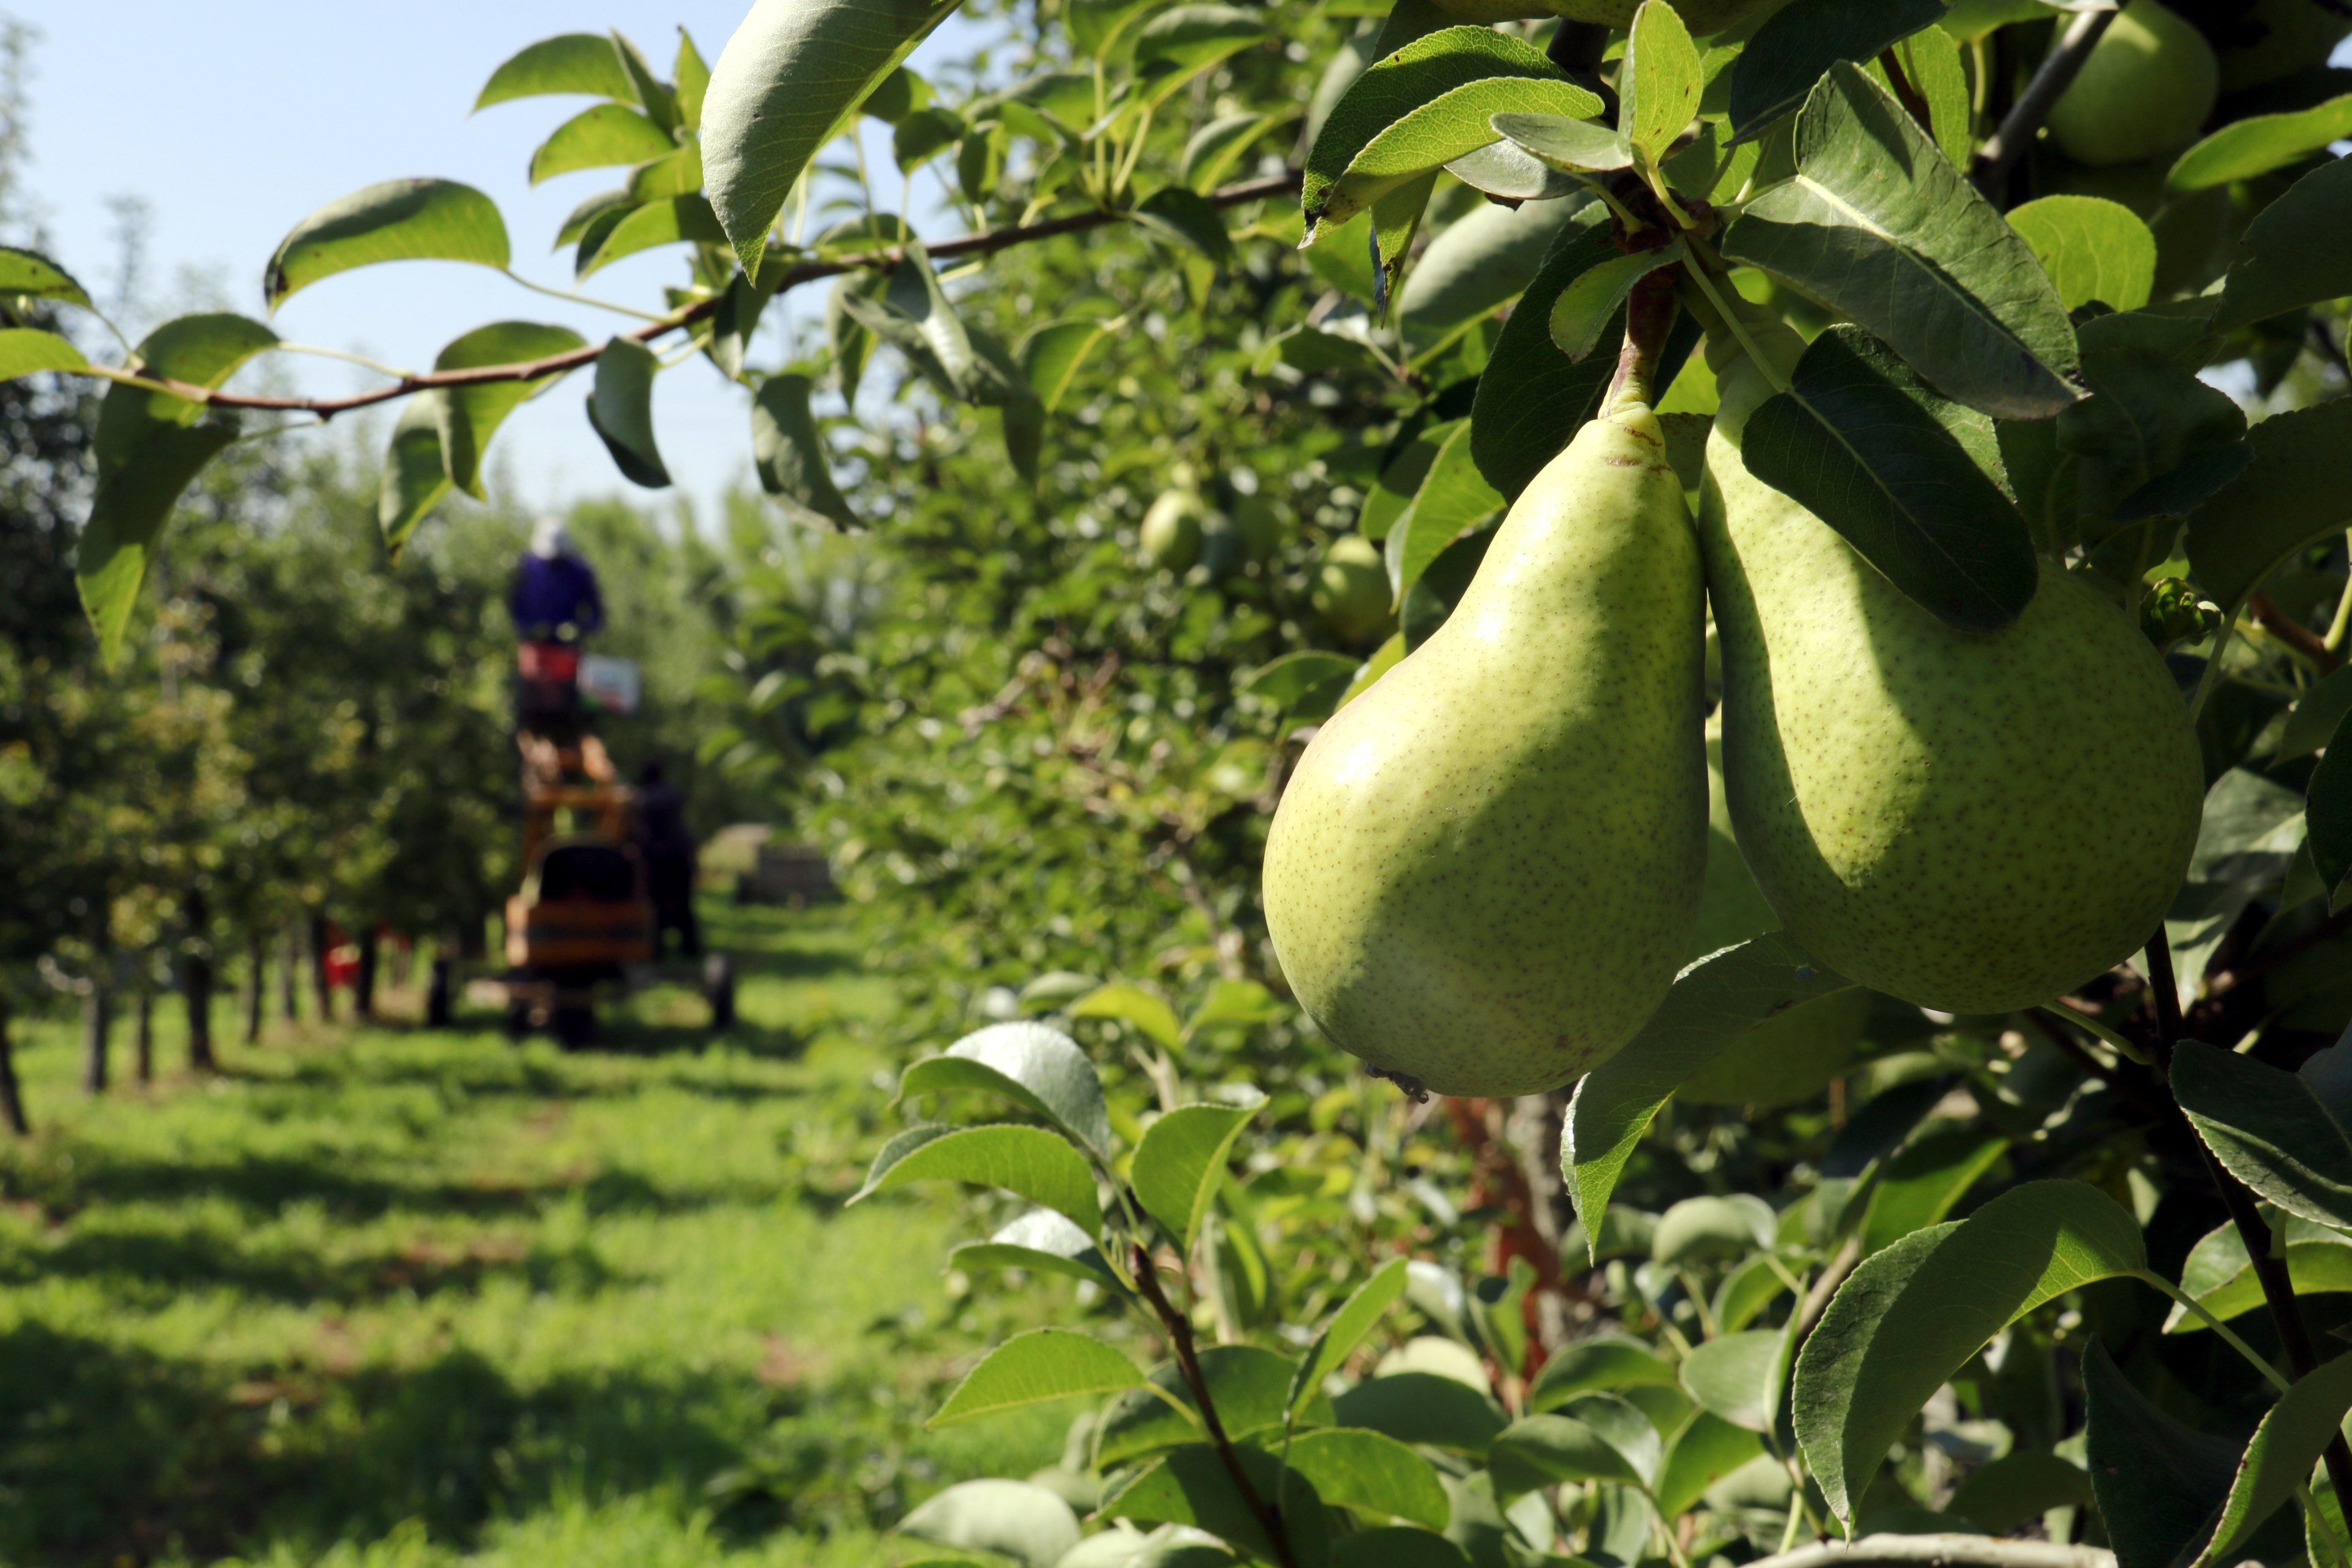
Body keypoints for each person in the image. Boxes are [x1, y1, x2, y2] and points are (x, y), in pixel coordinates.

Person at [508, 518, 612, 786]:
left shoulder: (580, 570)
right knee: (529, 706)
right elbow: (515, 607)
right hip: (536, 650)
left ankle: (578, 739)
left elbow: (597, 613)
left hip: (568, 653)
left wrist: (581, 628)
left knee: (579, 706)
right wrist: (528, 628)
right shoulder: (528, 567)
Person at [633, 760, 701, 959]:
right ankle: (689, 947)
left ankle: (657, 949)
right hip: (680, 854)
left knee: (656, 904)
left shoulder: (644, 798)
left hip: (657, 858)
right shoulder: (674, 794)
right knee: (683, 902)